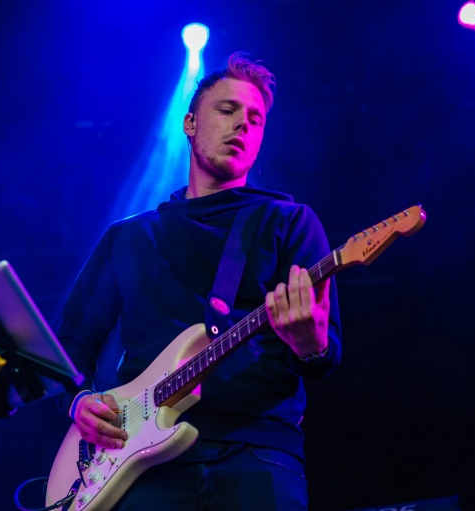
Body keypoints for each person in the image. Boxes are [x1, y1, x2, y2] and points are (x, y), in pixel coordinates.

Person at [54, 52, 342, 510]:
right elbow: (68, 345)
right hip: (139, 467)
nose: (243, 125)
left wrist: (312, 344)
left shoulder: (289, 222)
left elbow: (325, 356)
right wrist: (77, 402)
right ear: (190, 124)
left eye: (256, 119)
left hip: (258, 458)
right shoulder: (130, 236)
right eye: (227, 111)